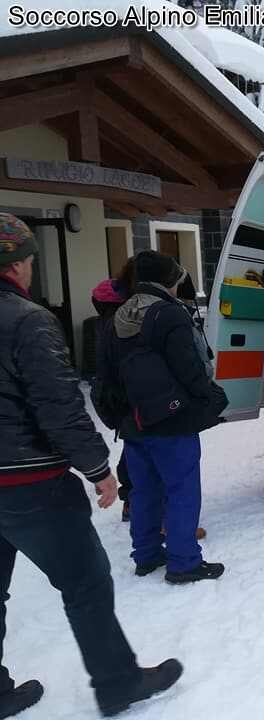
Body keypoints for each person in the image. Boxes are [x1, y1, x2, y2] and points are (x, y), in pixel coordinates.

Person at [0, 214, 182, 717]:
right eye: (31, 260)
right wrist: (99, 468)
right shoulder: (28, 321)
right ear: (15, 265)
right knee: (86, 581)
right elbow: (57, 405)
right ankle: (118, 681)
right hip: (29, 482)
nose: (32, 269)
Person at [105, 250, 227, 584]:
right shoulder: (169, 314)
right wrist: (208, 397)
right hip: (172, 420)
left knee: (144, 491)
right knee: (182, 489)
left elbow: (105, 373)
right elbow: (188, 367)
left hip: (134, 420)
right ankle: (184, 562)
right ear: (169, 279)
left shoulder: (119, 315)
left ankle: (146, 555)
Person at [91, 260, 136, 520]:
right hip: (125, 395)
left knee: (133, 447)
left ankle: (131, 500)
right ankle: (133, 500)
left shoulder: (103, 319)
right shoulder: (121, 321)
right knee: (137, 450)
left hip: (114, 395)